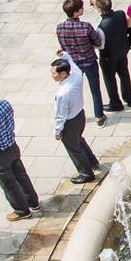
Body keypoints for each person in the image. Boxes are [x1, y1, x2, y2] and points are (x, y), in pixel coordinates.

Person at [0, 83, 39, 220]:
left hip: (0, 154)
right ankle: (33, 202)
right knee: (21, 175)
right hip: (12, 146)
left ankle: (22, 211)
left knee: (8, 183)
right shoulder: (5, 104)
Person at [56, 0, 106, 125]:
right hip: (89, 61)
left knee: (74, 90)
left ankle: (73, 114)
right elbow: (97, 41)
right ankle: (99, 117)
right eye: (81, 8)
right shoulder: (86, 27)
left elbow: (63, 46)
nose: (83, 9)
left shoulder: (60, 27)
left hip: (73, 64)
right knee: (95, 89)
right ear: (76, 12)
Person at [51, 56, 100, 185]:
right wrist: (65, 55)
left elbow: (60, 115)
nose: (52, 75)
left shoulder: (62, 94)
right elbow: (73, 63)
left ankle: (86, 173)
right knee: (79, 140)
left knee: (74, 148)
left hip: (70, 123)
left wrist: (57, 131)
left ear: (63, 74)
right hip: (80, 116)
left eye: (53, 73)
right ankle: (92, 161)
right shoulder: (77, 76)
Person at [92, 0, 131, 111]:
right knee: (124, 75)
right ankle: (129, 98)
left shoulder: (102, 27)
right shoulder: (120, 14)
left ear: (99, 9)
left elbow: (100, 45)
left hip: (108, 57)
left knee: (110, 80)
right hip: (122, 51)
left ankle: (115, 103)